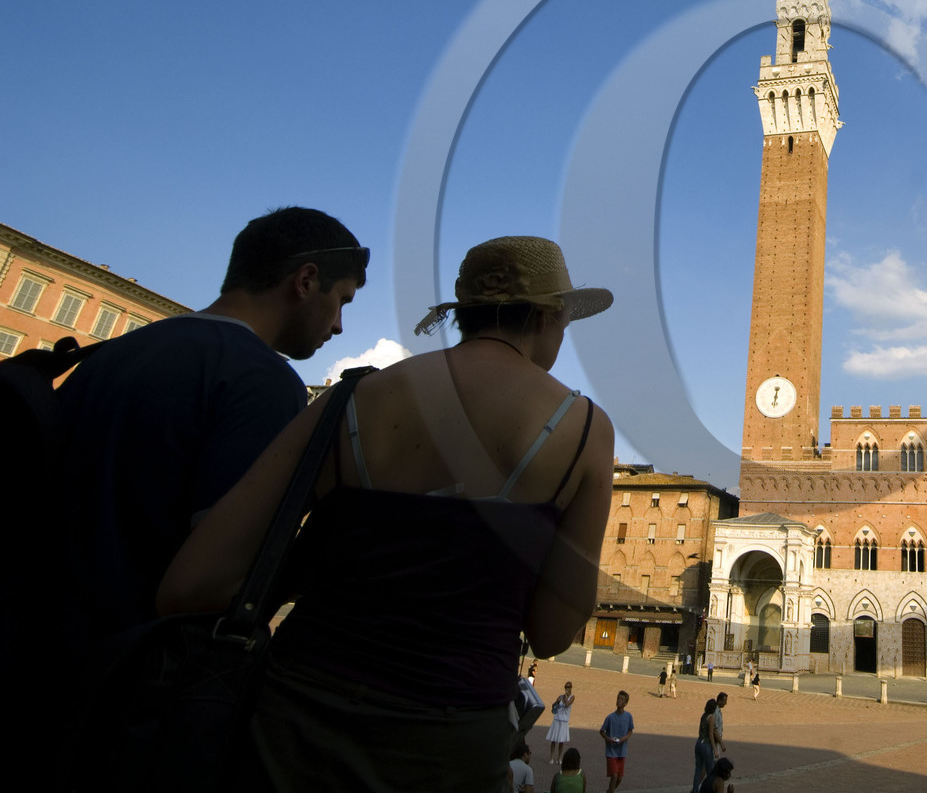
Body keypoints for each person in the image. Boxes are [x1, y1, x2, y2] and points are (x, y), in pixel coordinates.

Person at [158, 236, 615, 790]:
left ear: (464, 315)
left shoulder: (348, 399)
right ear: (546, 317)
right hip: (452, 743)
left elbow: (190, 582)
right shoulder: (585, 430)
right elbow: (551, 633)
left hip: (293, 725)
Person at [66, 206, 366, 645]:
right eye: (340, 300)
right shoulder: (263, 380)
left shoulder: (112, 353)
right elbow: (222, 577)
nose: (338, 325)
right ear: (305, 282)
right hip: (131, 669)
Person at [600, 691, 634, 793]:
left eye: (622, 699)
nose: (619, 701)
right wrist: (608, 739)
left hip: (622, 751)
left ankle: (610, 791)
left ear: (625, 703)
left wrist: (625, 738)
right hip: (611, 751)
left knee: (619, 778)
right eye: (618, 698)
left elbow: (630, 730)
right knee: (614, 775)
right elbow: (601, 731)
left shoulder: (628, 716)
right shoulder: (610, 717)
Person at [693, 698, 719, 792]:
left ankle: (695, 790)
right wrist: (715, 749)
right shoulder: (711, 718)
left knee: (698, 770)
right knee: (710, 771)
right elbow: (711, 735)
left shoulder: (703, 715)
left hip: (699, 742)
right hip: (706, 745)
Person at [549, 681, 576, 764]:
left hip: (564, 720)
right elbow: (553, 705)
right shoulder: (560, 696)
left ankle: (559, 758)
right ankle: (551, 757)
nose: (567, 688)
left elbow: (567, 704)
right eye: (566, 687)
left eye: (568, 687)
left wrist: (565, 697)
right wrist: (556, 702)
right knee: (553, 740)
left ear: (571, 688)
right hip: (557, 719)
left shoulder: (572, 697)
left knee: (561, 741)